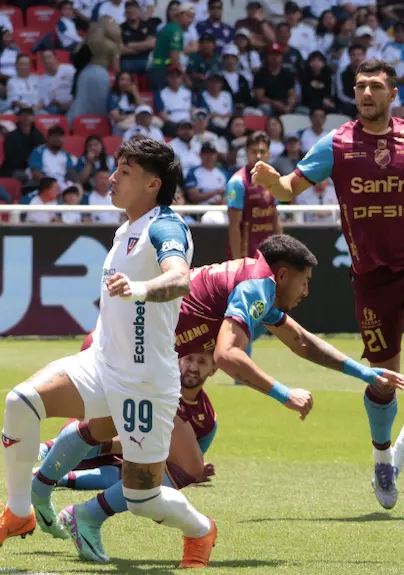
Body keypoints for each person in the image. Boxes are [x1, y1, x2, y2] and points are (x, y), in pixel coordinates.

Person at [35, 235, 404, 561]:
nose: (306, 292)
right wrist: (283, 393)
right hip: (126, 352)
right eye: (304, 282)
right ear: (284, 274)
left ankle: (49, 493)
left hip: (135, 352)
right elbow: (228, 355)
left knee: (120, 441)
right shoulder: (257, 285)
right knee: (152, 455)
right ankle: (46, 497)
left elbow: (302, 341)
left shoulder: (254, 281)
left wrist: (365, 372)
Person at [0, 137, 219, 569]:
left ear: (152, 184)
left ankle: (200, 530)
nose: (113, 177)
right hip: (101, 364)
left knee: (142, 498)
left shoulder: (166, 226)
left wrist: (141, 289)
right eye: (116, 168)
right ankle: (19, 512)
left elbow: (179, 278)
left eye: (125, 171)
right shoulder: (126, 228)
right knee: (20, 401)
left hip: (144, 381)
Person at [253, 58, 404, 510]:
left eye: (375, 86)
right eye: (360, 86)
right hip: (373, 279)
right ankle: (383, 459)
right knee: (383, 381)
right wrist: (270, 180)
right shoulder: (336, 144)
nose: (366, 94)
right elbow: (288, 189)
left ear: (392, 94)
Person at [35, 350, 217, 495]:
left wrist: (195, 472)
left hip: (128, 462)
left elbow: (187, 466)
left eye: (202, 362)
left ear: (213, 369)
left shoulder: (207, 419)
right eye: (189, 359)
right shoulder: (157, 385)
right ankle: (43, 450)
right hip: (100, 438)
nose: (193, 367)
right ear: (179, 360)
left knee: (143, 477)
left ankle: (53, 477)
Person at [226, 131, 281, 260]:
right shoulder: (237, 182)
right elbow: (234, 226)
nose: (258, 156)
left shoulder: (273, 179)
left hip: (269, 255)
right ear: (246, 153)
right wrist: (237, 263)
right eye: (253, 151)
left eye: (262, 152)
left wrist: (281, 253)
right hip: (246, 256)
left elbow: (275, 217)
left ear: (269, 154)